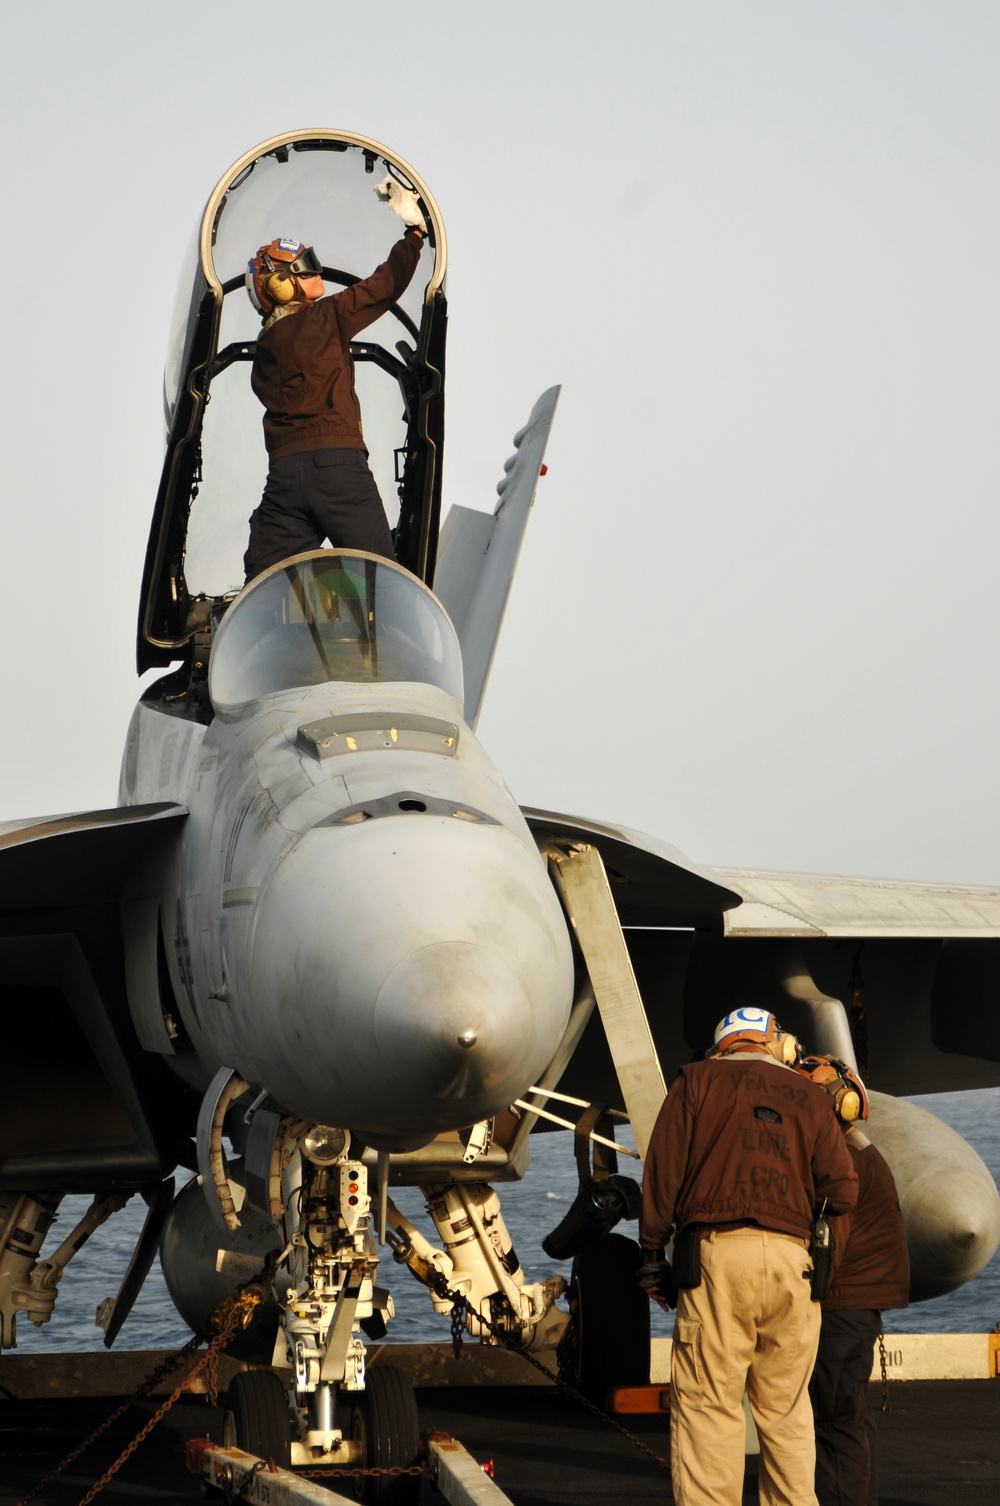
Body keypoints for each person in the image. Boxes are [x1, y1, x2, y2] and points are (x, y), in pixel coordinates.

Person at [639, 1007, 858, 1506]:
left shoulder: (694, 1082)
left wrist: (653, 1253)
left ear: (722, 1047)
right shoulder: (809, 1095)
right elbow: (843, 1191)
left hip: (716, 1262)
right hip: (792, 1265)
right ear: (775, 1043)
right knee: (785, 1410)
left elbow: (663, 1174)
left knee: (708, 1405)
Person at [242, 179, 427, 583]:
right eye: (304, 267)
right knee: (383, 581)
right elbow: (383, 287)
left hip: (285, 477)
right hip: (338, 467)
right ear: (279, 283)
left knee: (262, 584)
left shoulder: (264, 350)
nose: (316, 270)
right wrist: (414, 235)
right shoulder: (325, 318)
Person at [797, 1055, 910, 1506]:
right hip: (857, 1306)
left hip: (841, 1308)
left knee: (833, 1419)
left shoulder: (839, 1158)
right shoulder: (855, 1146)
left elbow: (829, 1245)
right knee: (851, 1418)